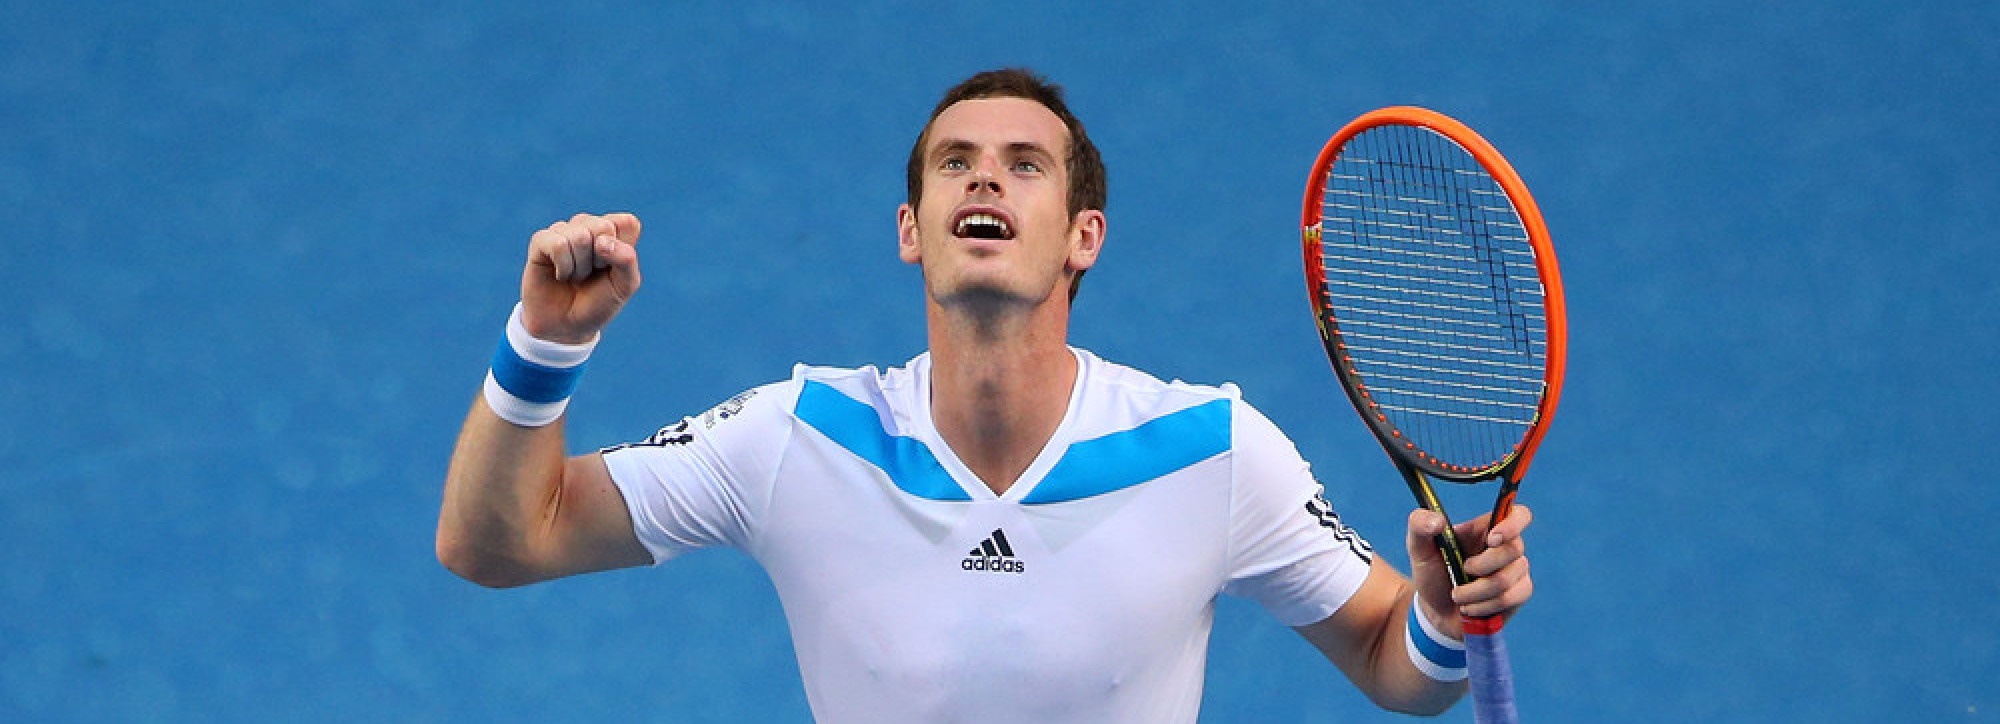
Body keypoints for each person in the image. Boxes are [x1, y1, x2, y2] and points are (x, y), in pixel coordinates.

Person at [437, 68, 1533, 722]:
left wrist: (1441, 620)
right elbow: (498, 541)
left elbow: (1396, 664)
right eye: (954, 162)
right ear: (911, 231)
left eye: (1024, 163)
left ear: (1083, 238)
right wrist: (546, 342)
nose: (985, 177)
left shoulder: (1213, 450)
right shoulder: (795, 438)